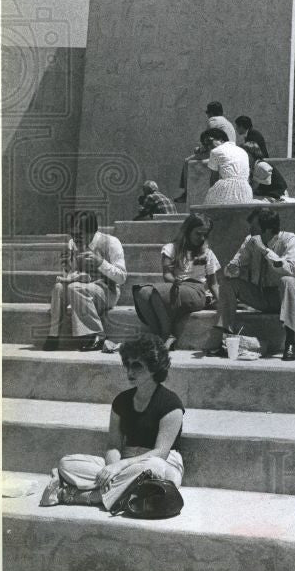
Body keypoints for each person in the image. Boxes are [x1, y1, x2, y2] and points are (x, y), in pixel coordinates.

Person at [39, 334, 185, 510]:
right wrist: (111, 468)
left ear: (154, 368)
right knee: (66, 463)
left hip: (160, 464)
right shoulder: (121, 401)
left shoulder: (171, 404)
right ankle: (120, 491)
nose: (130, 372)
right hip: (127, 462)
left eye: (137, 366)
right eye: (128, 365)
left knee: (155, 471)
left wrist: (120, 466)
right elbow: (113, 445)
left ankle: (80, 496)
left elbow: (160, 453)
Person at [214, 208, 295, 361]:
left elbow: (288, 268)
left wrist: (264, 250)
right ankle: (226, 340)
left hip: (289, 296)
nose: (250, 230)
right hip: (262, 296)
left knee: (288, 281)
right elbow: (233, 267)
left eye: (254, 227)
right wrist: (232, 269)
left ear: (268, 229)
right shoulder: (250, 240)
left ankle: (290, 342)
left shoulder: (289, 239)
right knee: (228, 284)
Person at [132, 213, 220, 350]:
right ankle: (158, 335)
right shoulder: (171, 248)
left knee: (156, 293)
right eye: (198, 234)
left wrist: (220, 301)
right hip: (177, 286)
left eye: (205, 235)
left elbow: (213, 283)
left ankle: (167, 335)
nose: (202, 238)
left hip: (197, 290)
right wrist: (175, 281)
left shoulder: (207, 253)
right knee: (141, 292)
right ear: (187, 230)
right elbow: (167, 274)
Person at [44, 210, 127, 352]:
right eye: (72, 234)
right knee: (58, 287)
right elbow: (72, 275)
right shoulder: (72, 243)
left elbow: (122, 277)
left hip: (107, 291)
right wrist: (67, 267)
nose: (75, 239)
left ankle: (96, 334)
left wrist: (101, 262)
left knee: (75, 287)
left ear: (92, 231)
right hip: (81, 291)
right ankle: (53, 335)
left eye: (79, 234)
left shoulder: (111, 242)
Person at [175, 102, 237, 202]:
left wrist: (199, 150)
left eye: (207, 113)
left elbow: (209, 141)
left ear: (210, 113)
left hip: (219, 152)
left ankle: (186, 193)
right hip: (232, 152)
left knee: (187, 161)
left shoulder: (212, 121)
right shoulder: (228, 123)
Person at [202, 127, 253, 205]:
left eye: (209, 142)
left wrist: (211, 192)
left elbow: (214, 178)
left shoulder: (215, 151)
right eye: (206, 145)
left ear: (221, 139)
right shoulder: (242, 151)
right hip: (246, 191)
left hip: (227, 189)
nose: (208, 146)